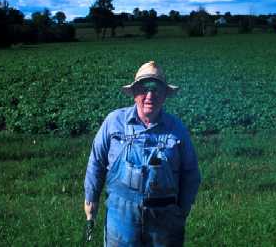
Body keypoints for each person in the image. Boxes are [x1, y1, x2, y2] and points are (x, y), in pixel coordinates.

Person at [84, 61, 201, 246]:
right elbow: (96, 163)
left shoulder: (177, 129)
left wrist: (182, 210)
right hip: (120, 216)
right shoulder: (114, 122)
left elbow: (191, 172)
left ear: (164, 95)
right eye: (143, 88)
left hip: (164, 220)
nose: (149, 95)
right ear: (134, 93)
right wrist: (91, 203)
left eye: (156, 89)